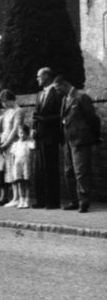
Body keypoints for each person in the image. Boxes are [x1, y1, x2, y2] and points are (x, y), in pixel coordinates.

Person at [54, 75, 101, 213]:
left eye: (58, 88)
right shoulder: (64, 99)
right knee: (68, 172)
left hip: (80, 140)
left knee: (81, 172)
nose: (57, 92)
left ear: (64, 84)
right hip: (67, 141)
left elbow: (93, 118)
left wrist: (95, 136)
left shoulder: (81, 97)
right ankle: (74, 201)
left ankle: (84, 202)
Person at [31, 67, 62, 209]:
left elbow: (61, 114)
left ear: (47, 77)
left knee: (50, 169)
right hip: (39, 136)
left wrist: (44, 120)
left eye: (39, 76)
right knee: (39, 170)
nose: (37, 79)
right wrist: (33, 128)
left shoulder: (57, 93)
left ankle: (52, 201)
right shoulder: (39, 94)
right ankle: (41, 199)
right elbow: (36, 114)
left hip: (50, 136)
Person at [0, 90, 25, 208]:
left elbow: (15, 129)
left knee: (16, 171)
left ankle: (19, 197)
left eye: (4, 101)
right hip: (5, 144)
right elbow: (4, 129)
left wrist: (6, 143)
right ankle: (14, 197)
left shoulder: (19, 111)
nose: (3, 104)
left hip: (13, 144)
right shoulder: (7, 112)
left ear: (9, 99)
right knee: (9, 170)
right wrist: (0, 141)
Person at [11, 124, 35, 209]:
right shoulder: (15, 144)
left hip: (26, 163)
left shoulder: (29, 142)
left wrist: (31, 136)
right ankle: (21, 199)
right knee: (19, 182)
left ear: (27, 134)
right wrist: (13, 167)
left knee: (27, 182)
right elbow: (13, 156)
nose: (22, 135)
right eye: (20, 133)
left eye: (24, 133)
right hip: (17, 164)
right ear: (18, 133)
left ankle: (27, 200)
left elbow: (33, 148)